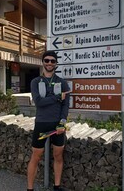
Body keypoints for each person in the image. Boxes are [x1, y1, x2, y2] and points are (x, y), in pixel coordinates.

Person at [27, 50, 70, 191]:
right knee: (36, 156)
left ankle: (56, 187)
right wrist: (57, 97)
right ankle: (30, 189)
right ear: (43, 62)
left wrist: (62, 122)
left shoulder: (62, 83)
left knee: (58, 156)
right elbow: (38, 102)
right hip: (41, 123)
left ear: (56, 63)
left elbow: (65, 105)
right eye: (47, 60)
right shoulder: (35, 82)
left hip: (57, 124)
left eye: (52, 61)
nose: (49, 63)